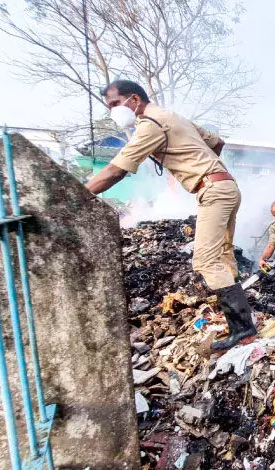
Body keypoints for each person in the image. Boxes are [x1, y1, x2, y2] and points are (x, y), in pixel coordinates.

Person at [86, 80, 255, 351]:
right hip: (226, 186)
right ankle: (242, 327)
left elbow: (116, 170)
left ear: (133, 100)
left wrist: (80, 193)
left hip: (213, 190)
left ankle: (244, 330)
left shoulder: (150, 124)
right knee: (223, 255)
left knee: (205, 260)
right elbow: (217, 142)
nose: (113, 111)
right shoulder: (172, 116)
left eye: (115, 104)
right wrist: (201, 164)